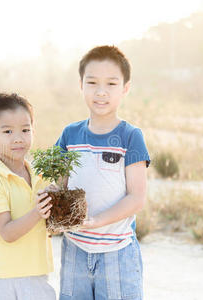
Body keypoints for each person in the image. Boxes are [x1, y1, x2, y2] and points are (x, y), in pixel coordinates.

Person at [55, 45, 150, 300]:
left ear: (125, 88)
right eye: (92, 82)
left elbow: (137, 197)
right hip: (74, 249)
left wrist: (97, 221)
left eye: (111, 84)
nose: (101, 92)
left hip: (116, 252)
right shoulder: (70, 135)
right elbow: (59, 187)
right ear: (81, 85)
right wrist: (49, 198)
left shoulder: (130, 137)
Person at [0, 93, 56, 300]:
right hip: (4, 278)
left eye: (25, 130)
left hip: (38, 273)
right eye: (7, 131)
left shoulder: (41, 176)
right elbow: (7, 232)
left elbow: (53, 225)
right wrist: (38, 212)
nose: (18, 138)